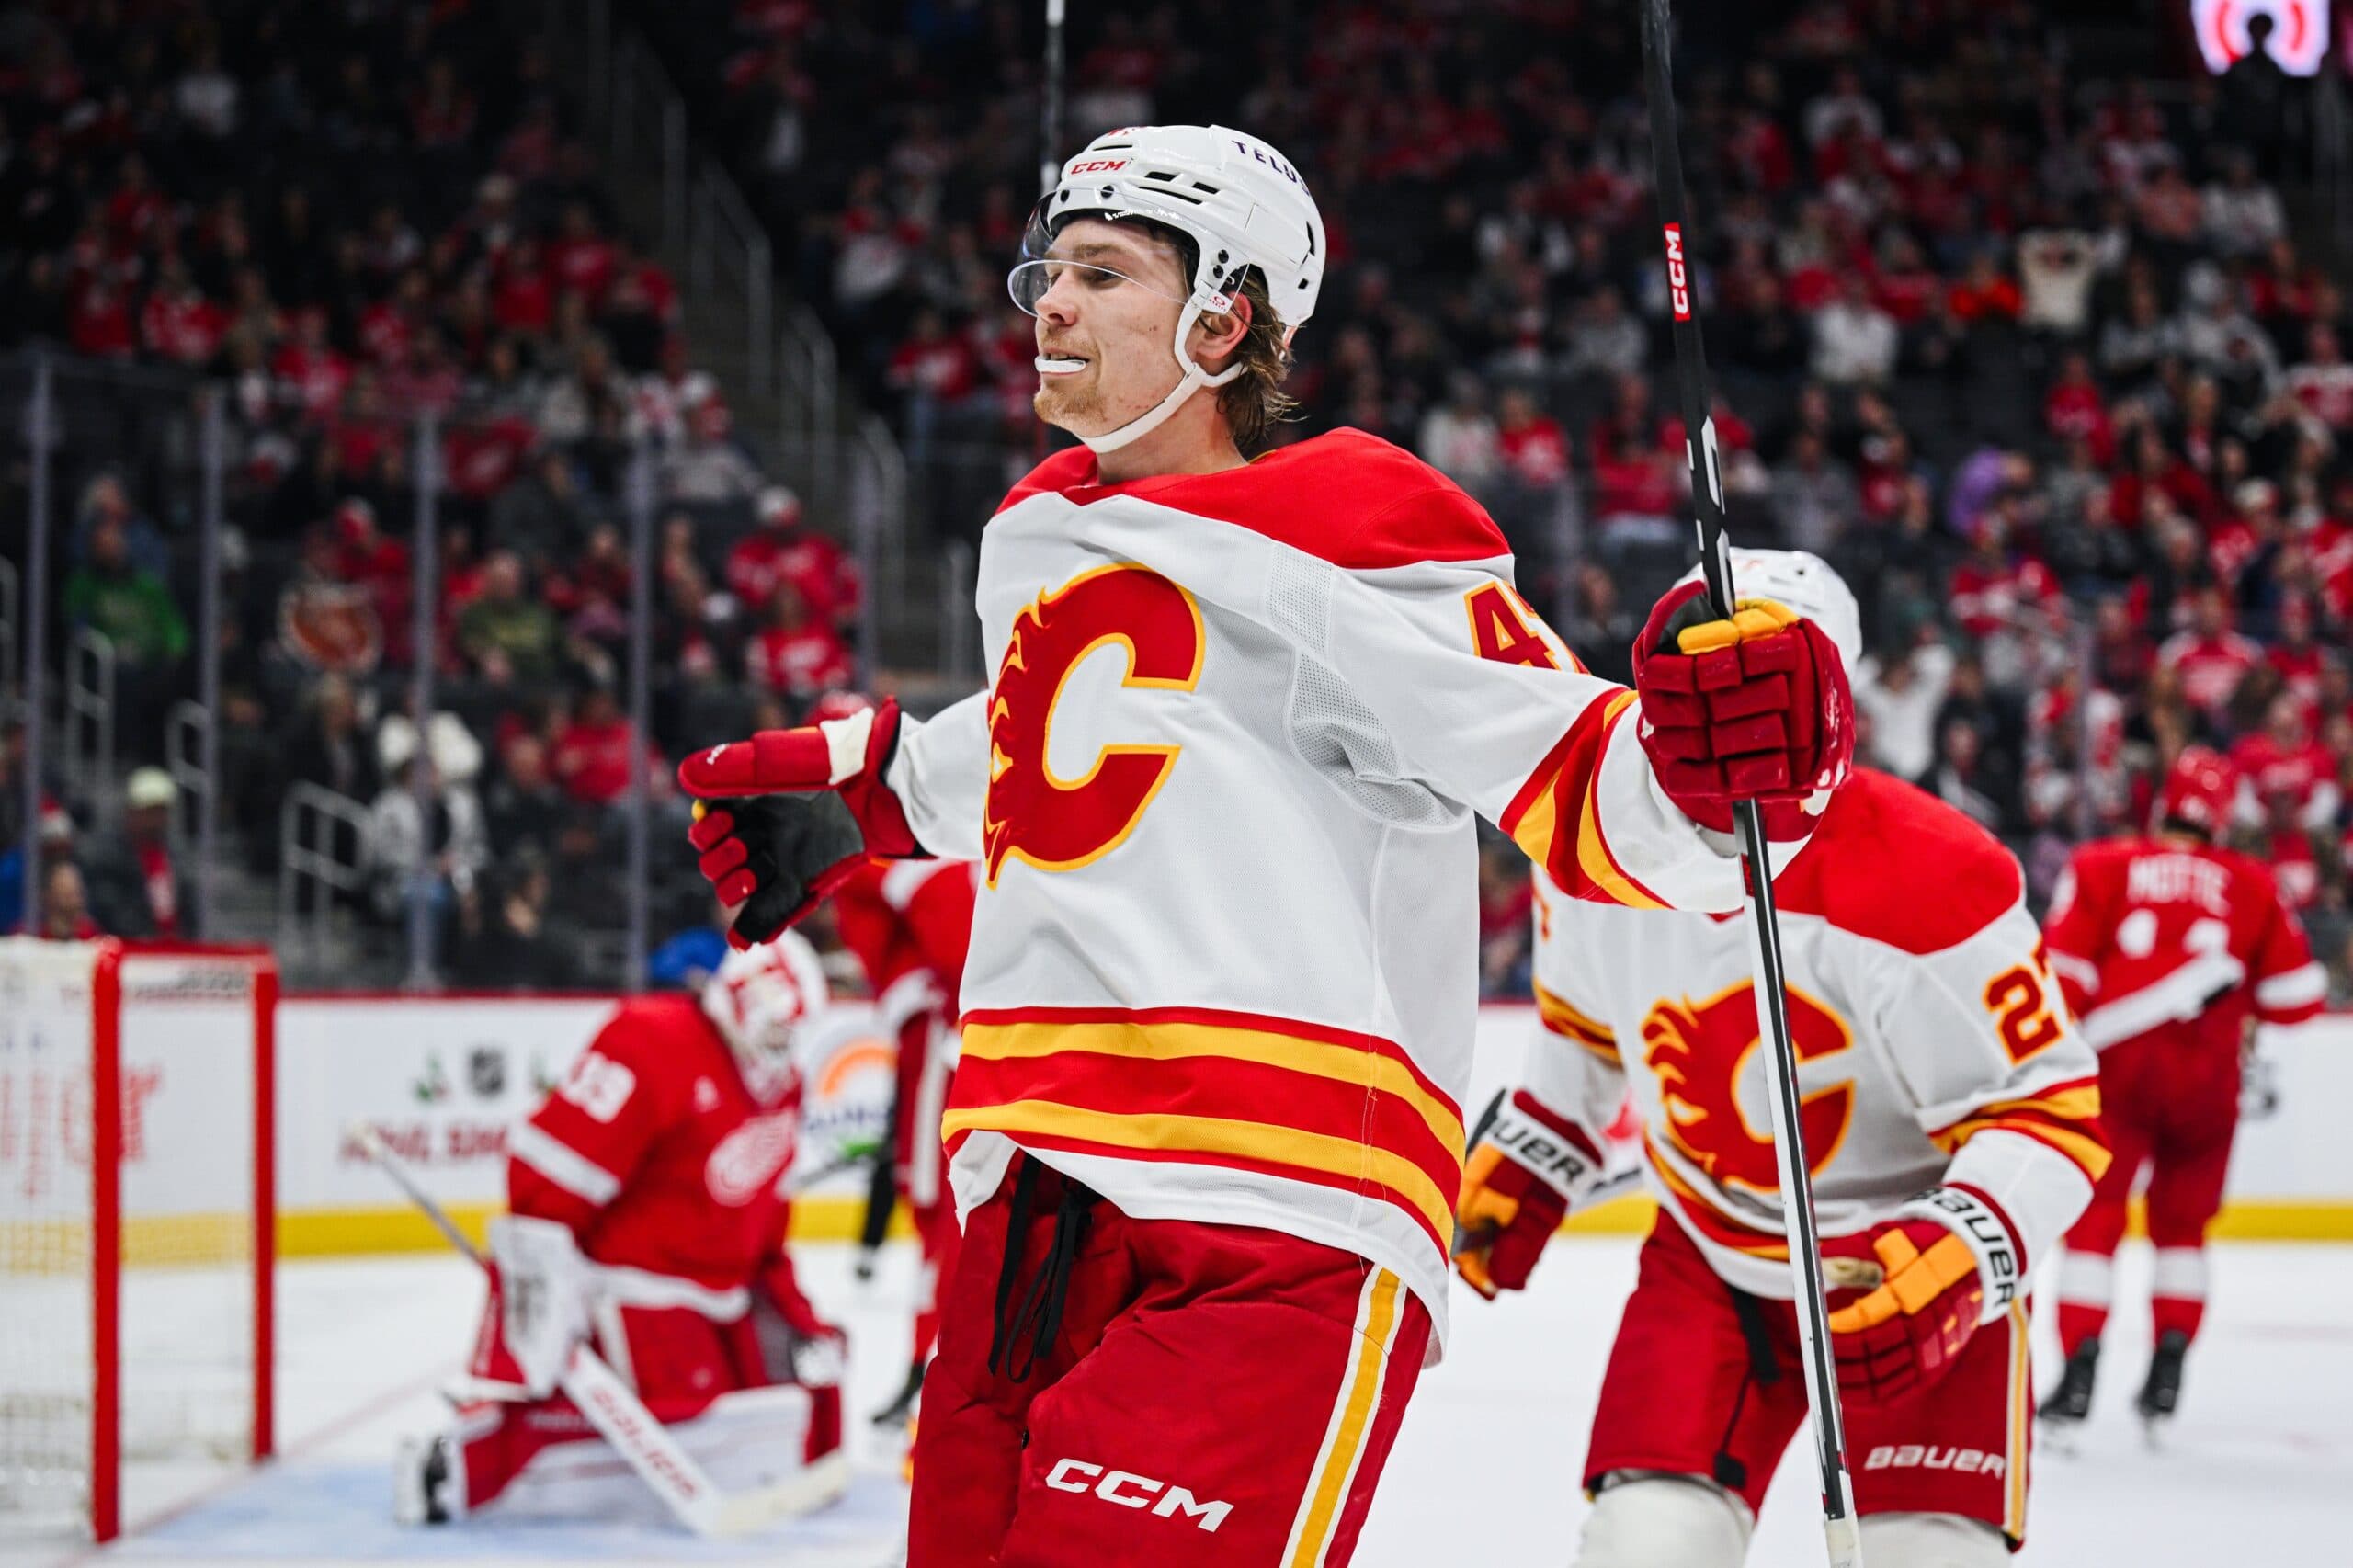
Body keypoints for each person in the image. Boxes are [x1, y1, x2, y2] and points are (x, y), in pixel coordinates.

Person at [676, 125, 1856, 1565]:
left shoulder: (1355, 526)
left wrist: (1719, 770)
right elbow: (1096, 714)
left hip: (1273, 1209)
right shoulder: (1043, 530)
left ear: (1223, 317)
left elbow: (1566, 769)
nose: (1047, 301)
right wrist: (880, 794)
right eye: (1049, 269)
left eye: (1101, 273)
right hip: (1042, 1198)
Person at [1453, 551, 2106, 1567]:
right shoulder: (1590, 852)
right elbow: (1586, 1030)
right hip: (1708, 1260)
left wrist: (1958, 1250)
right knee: (1642, 1543)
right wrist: (1534, 1151)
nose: (1725, 715)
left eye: (1764, 681)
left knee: (1925, 1554)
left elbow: (2049, 1108)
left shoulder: (1936, 875)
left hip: (1900, 1266)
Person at [393, 936, 848, 1524]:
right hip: (638, 1296)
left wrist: (796, 1316)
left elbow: (764, 1226)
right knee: (700, 1423)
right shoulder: (654, 1039)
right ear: (738, 1002)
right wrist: (544, 1295)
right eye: (775, 1034)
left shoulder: (781, 1083)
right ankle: (458, 1461)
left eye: (792, 1038)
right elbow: (547, 1174)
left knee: (804, 1389)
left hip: (727, 1302)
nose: (782, 1053)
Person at [2038, 746, 2325, 1434]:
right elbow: (2299, 998)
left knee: (2096, 1219)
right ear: (2222, 820)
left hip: (2117, 1073)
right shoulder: (2254, 882)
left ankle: (2079, 1367)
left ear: (2162, 804)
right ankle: (2169, 1363)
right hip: (2207, 1080)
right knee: (2183, 1229)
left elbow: (2060, 977)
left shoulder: (2102, 866)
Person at [813, 685, 979, 1427]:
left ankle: (938, 1361)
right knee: (934, 1206)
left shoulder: (897, 836)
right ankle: (936, 1358)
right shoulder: (906, 827)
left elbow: (960, 948)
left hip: (956, 1048)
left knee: (945, 1209)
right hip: (948, 1042)